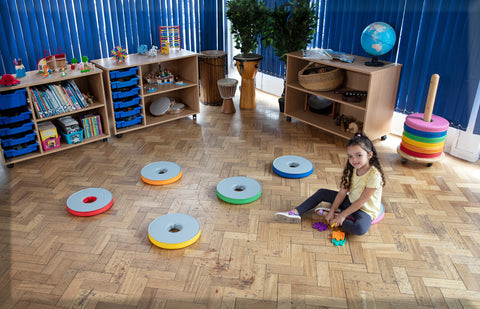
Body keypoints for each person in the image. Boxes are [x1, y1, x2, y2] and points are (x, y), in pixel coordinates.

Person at [274, 133, 385, 235]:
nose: (354, 160)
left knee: (360, 229)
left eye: (359, 155)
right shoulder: (352, 169)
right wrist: (331, 210)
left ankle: (339, 215)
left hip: (364, 210)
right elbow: (342, 192)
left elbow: (361, 201)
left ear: (370, 155)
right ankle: (295, 212)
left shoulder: (374, 176)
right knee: (322, 192)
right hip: (350, 201)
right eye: (350, 156)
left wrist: (341, 216)